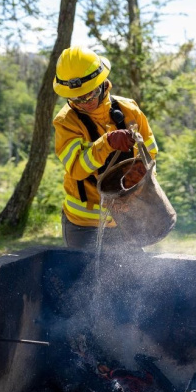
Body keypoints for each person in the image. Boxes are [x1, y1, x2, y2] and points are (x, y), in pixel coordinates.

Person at [52, 46, 158, 250]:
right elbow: (77, 168)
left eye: (89, 94)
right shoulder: (66, 122)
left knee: (133, 278)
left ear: (101, 83)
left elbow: (150, 156)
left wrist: (136, 193)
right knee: (82, 280)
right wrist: (106, 143)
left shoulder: (130, 111)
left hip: (126, 219)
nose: (85, 102)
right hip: (83, 225)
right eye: (77, 98)